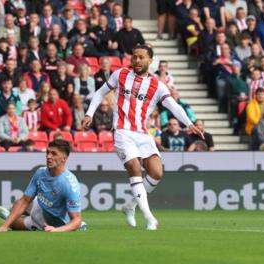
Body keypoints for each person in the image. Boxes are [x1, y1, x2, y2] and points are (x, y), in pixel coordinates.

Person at [82, 45, 203, 230]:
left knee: (156, 173)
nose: (137, 61)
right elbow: (100, 93)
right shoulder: (120, 74)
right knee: (134, 166)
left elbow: (173, 106)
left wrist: (189, 123)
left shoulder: (157, 85)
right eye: (134, 57)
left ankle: (130, 206)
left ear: (150, 60)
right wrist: (90, 113)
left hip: (143, 133)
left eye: (141, 57)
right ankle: (149, 217)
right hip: (122, 131)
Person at [0, 139, 83, 232]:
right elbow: (25, 201)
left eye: (54, 154)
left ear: (64, 158)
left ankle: (12, 217)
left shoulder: (69, 185)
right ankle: (10, 216)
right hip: (40, 206)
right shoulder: (40, 172)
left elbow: (77, 220)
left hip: (51, 221)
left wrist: (56, 230)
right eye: (47, 152)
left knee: (14, 224)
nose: (48, 156)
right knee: (17, 203)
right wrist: (4, 226)